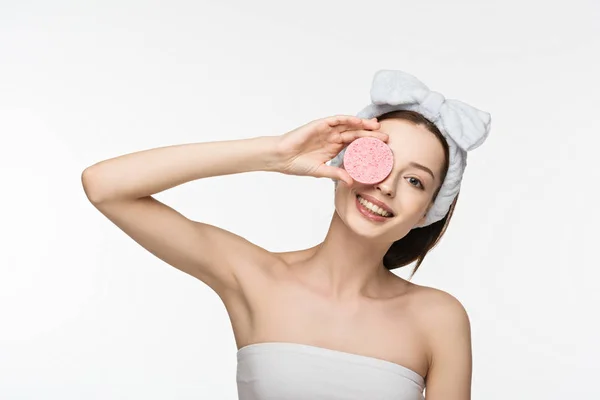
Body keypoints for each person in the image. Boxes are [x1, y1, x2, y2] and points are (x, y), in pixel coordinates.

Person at [82, 69, 491, 400]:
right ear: (342, 161)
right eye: (377, 160)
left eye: (415, 181)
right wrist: (275, 153)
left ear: (429, 212)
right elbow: (105, 186)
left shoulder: (439, 318)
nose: (386, 187)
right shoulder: (255, 277)